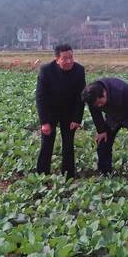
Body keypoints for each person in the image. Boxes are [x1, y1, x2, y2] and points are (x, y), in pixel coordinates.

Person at [35, 44, 86, 178]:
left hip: (69, 112)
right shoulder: (46, 71)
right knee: (47, 143)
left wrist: (76, 119)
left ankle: (68, 175)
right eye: (65, 58)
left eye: (71, 57)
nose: (69, 61)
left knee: (68, 144)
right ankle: (42, 174)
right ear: (57, 59)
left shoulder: (79, 70)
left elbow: (81, 97)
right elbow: (41, 97)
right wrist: (44, 122)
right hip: (51, 111)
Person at [82, 78, 128, 178]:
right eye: (97, 104)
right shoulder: (92, 97)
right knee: (103, 140)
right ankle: (104, 172)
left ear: (104, 93)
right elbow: (96, 114)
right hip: (113, 116)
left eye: (100, 102)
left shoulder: (121, 90)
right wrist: (101, 131)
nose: (99, 105)